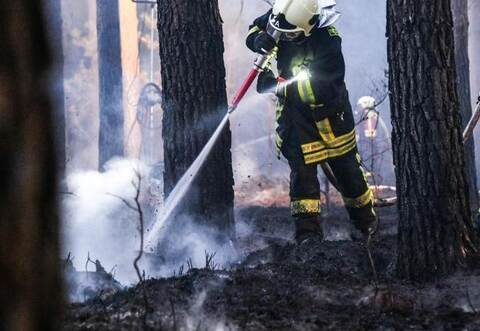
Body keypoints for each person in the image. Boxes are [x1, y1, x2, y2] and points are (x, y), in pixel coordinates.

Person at [246, 0, 377, 243]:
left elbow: (319, 88)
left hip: (331, 119)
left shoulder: (328, 40)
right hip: (296, 121)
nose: (285, 38)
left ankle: (364, 226)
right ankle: (308, 237)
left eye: (292, 35)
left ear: (310, 25)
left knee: (349, 175)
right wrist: (257, 40)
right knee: (302, 179)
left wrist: (276, 87)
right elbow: (256, 27)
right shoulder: (284, 13)